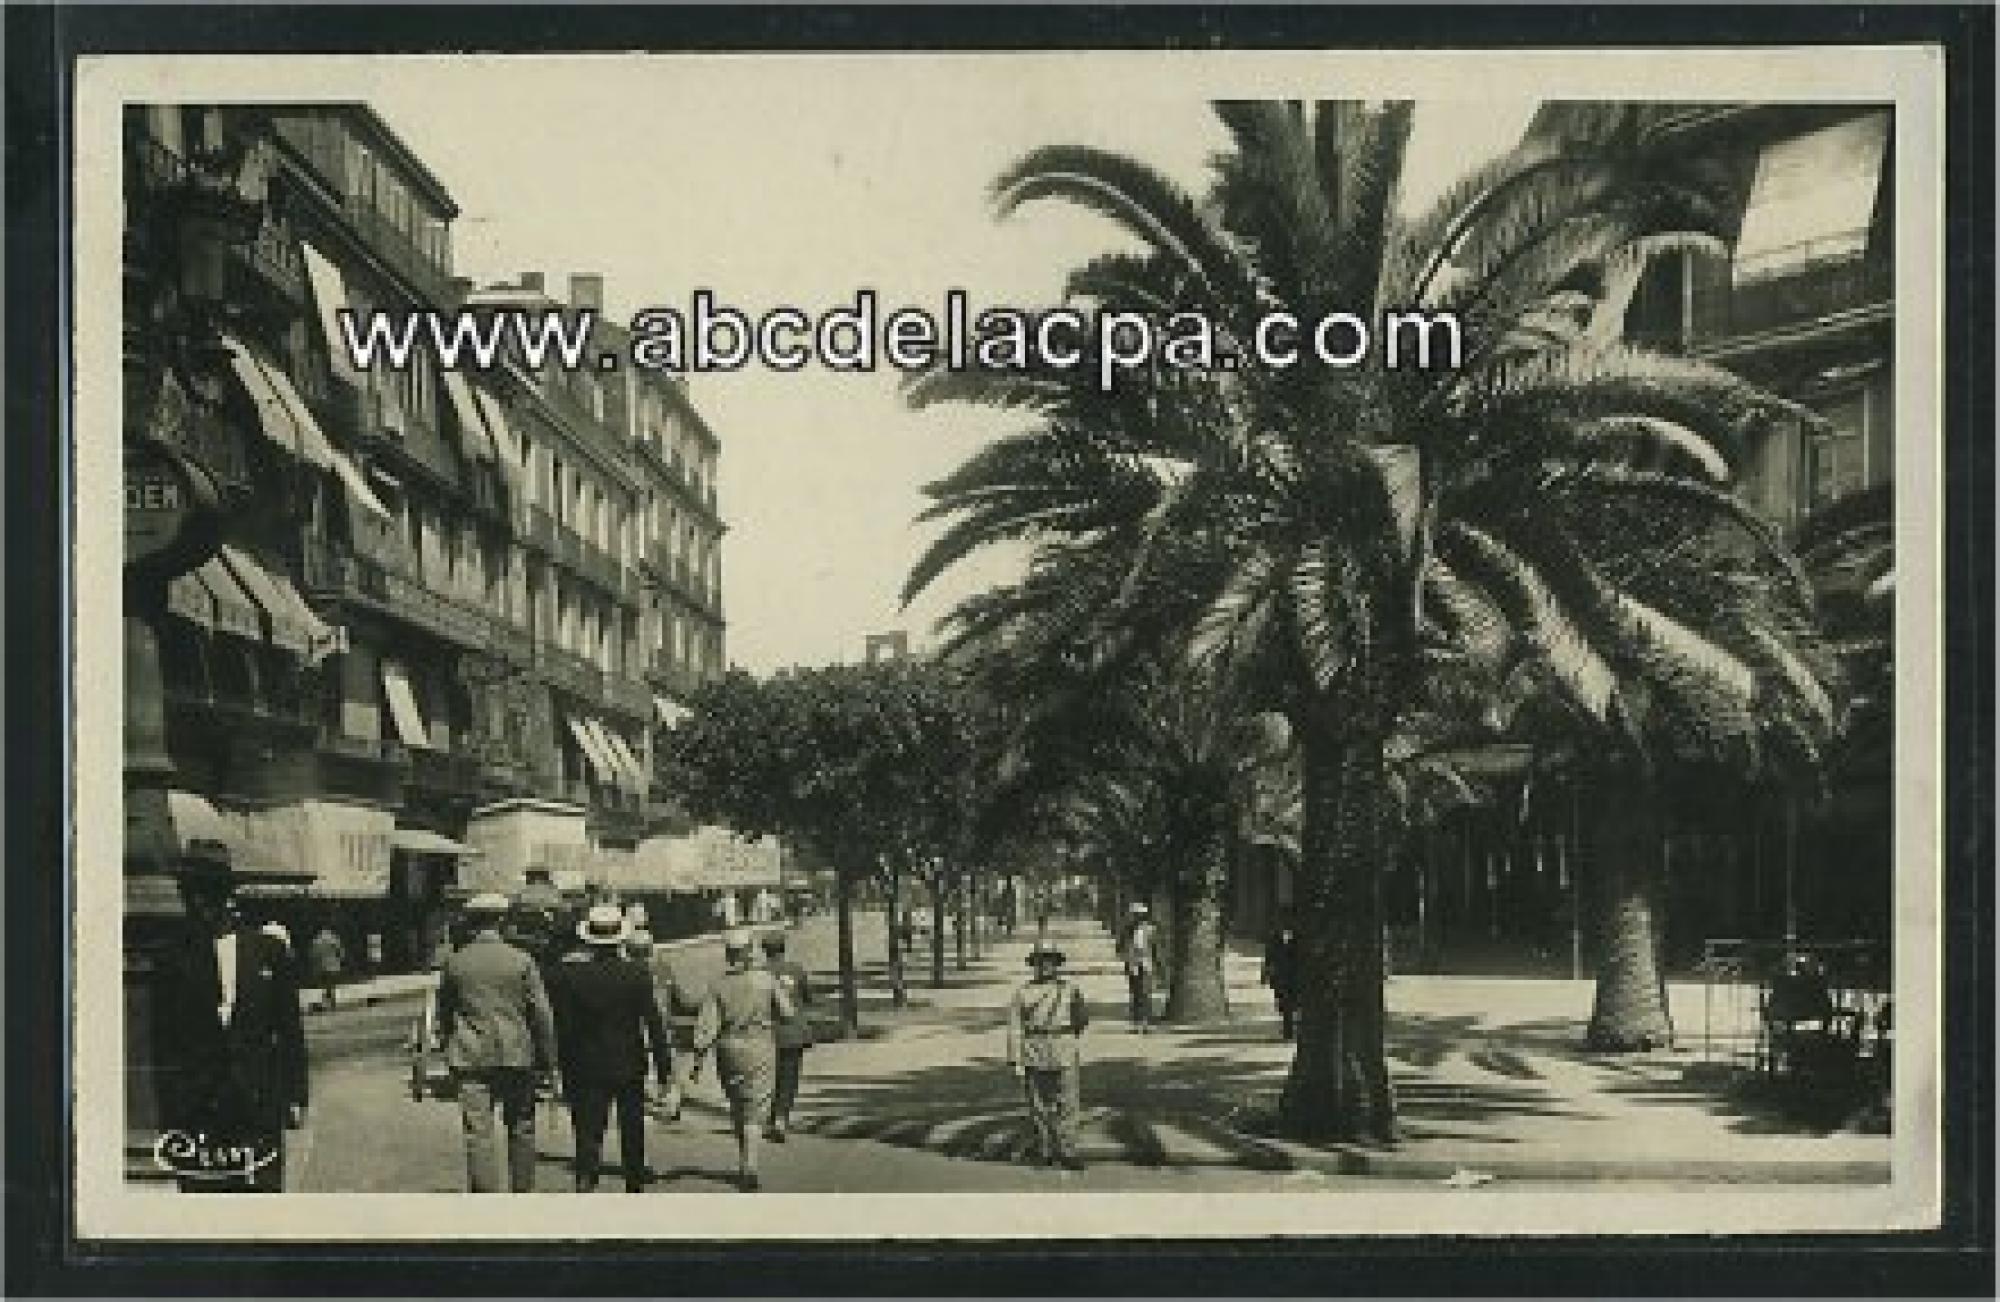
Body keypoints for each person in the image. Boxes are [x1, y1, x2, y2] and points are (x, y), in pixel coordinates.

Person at [155, 840, 309, 1193]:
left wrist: (295, 1095)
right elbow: (163, 1043)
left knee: (260, 1206)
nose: (198, 904)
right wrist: (171, 1113)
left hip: (257, 1104)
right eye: (190, 893)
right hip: (199, 1111)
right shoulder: (174, 959)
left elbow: (290, 1031)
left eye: (206, 892)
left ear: (225, 895)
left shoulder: (268, 952)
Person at [435, 892, 559, 1193]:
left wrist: (448, 1045)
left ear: (471, 922)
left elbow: (444, 1011)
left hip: (470, 1056)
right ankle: (522, 1194)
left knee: (478, 1134)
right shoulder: (522, 960)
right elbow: (541, 1013)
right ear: (502, 921)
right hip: (516, 1054)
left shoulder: (456, 963)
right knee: (521, 1127)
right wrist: (549, 1059)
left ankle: (486, 1200)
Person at [546, 905, 675, 1192]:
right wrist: (665, 1070)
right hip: (628, 1063)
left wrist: (559, 1067)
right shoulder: (636, 974)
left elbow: (563, 1027)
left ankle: (586, 1180)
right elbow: (654, 1023)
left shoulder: (570, 976)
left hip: (585, 1065)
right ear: (620, 939)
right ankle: (633, 1183)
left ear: (589, 939)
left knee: (588, 1131)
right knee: (632, 1129)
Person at [691, 928, 795, 1191]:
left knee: (737, 1103)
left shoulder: (718, 985)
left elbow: (706, 1028)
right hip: (760, 1046)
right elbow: (787, 1013)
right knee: (756, 1107)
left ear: (728, 954)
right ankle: (750, 1165)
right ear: (750, 951)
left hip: (729, 1048)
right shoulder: (766, 979)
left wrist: (698, 1060)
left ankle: (743, 1159)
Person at [1006, 938, 1090, 1170]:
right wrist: (1016, 1060)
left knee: (1068, 1103)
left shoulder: (1070, 990)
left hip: (1064, 1048)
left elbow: (1082, 1019)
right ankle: (1044, 1149)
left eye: (1049, 961)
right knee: (1038, 1104)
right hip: (1035, 1050)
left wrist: (1067, 1037)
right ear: (1034, 964)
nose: (1045, 966)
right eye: (1040, 961)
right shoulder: (1023, 993)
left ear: (1056, 964)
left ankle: (1067, 1150)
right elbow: (1015, 1027)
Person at [758, 930, 814, 1142]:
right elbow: (807, 998)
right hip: (794, 1032)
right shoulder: (796, 970)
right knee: (789, 1078)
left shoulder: (759, 974)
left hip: (768, 1033)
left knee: (770, 1078)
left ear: (764, 950)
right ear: (783, 948)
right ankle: (781, 1119)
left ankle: (770, 1119)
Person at [1118, 902, 1162, 1033]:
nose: (1137, 918)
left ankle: (1146, 1022)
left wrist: (1157, 963)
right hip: (1133, 964)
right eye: (1135, 915)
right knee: (1136, 993)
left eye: (1140, 915)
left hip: (1146, 963)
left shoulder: (1151, 930)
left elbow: (1155, 948)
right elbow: (1121, 946)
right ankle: (1137, 1023)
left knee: (1146, 993)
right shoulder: (1128, 930)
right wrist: (1127, 957)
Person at [1261, 911, 1302, 1041]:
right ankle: (1288, 1028)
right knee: (1283, 1003)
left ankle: (1289, 1029)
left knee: (1292, 1002)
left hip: (1294, 976)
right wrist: (1265, 973)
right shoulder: (1274, 939)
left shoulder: (1298, 938)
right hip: (1280, 976)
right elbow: (1269, 957)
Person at [306, 925, 346, 1013]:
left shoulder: (317, 940)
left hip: (322, 966)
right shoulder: (334, 938)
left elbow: (313, 954)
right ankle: (331, 1002)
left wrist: (315, 964)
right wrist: (340, 960)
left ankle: (326, 1001)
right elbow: (340, 951)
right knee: (330, 985)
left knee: (323, 985)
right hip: (333, 964)